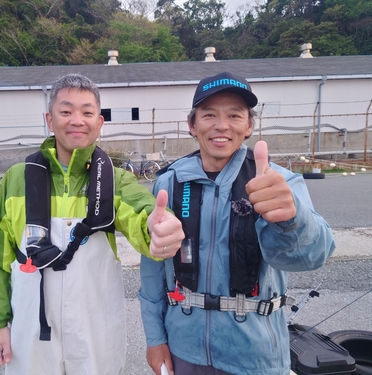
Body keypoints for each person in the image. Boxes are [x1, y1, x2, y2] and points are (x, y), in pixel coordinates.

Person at [0, 73, 185, 375]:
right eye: (66, 111)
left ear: (99, 123)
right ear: (50, 120)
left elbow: (143, 214)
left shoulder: (116, 180)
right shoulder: (17, 179)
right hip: (31, 331)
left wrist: (159, 229)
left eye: (87, 112)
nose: (77, 120)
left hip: (95, 331)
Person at [138, 71, 336, 375]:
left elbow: (314, 256)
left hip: (256, 357)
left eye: (234, 115)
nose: (221, 125)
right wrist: (155, 338)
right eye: (209, 115)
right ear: (192, 125)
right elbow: (153, 269)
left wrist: (294, 218)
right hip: (184, 352)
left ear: (249, 125)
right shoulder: (169, 182)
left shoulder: (277, 181)